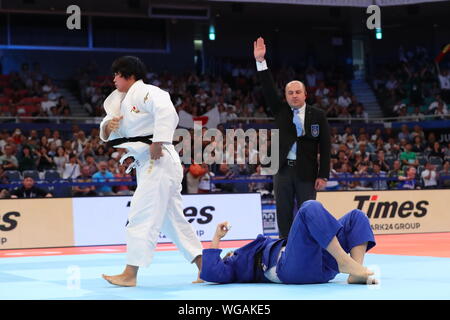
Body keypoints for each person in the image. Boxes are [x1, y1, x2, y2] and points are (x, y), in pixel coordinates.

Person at [99, 56, 203, 287]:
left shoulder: (148, 92)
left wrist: (159, 140)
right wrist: (108, 126)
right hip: (147, 161)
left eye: (117, 74)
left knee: (140, 213)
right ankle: (205, 267)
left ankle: (130, 273)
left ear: (129, 75)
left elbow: (167, 112)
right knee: (172, 220)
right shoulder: (118, 100)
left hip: (159, 158)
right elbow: (106, 126)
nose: (114, 79)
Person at [253, 37, 331, 238]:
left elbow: (326, 146)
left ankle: (308, 247)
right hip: (282, 169)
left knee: (308, 214)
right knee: (284, 212)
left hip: (307, 171)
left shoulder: (318, 115)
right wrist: (261, 62)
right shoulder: (280, 110)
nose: (294, 95)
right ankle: (284, 249)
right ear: (286, 96)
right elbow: (268, 87)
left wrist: (323, 175)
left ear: (305, 94)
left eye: (298, 92)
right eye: (290, 93)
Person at [200, 200, 377, 285]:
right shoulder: (235, 264)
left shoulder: (256, 248)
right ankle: (344, 262)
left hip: (316, 264)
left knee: (356, 216)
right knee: (309, 207)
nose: (228, 254)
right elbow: (210, 272)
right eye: (224, 256)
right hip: (291, 270)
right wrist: (216, 238)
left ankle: (356, 272)